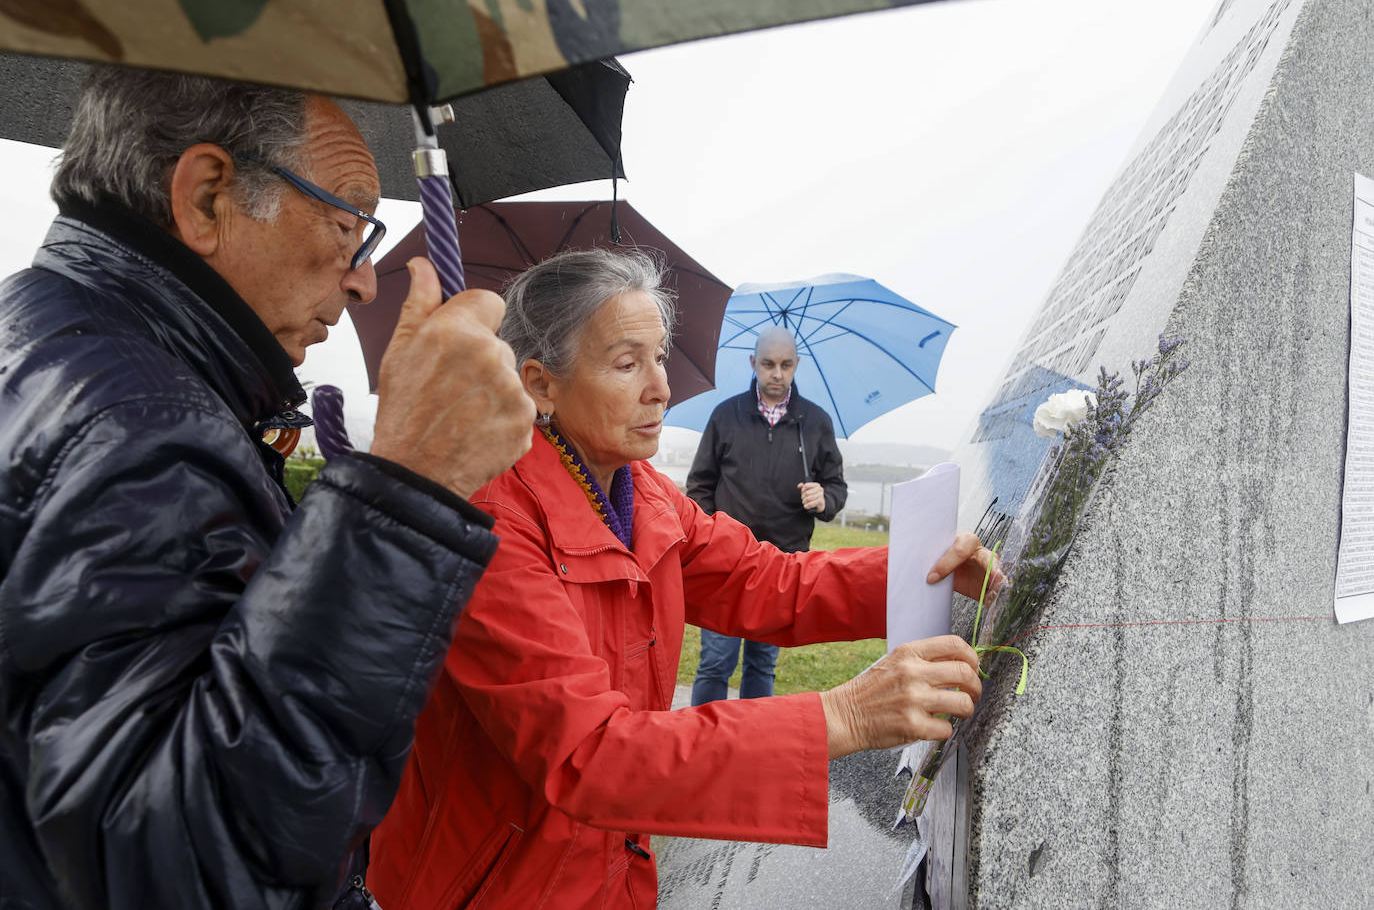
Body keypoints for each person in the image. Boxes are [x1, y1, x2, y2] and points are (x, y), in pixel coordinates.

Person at [0, 68, 534, 909]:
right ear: (208, 196)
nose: (362, 279)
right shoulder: (146, 426)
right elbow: (185, 870)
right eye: (349, 224)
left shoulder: (42, 335)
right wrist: (408, 484)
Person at [366, 249, 1001, 909]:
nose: (660, 388)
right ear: (540, 385)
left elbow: (770, 584)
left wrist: (921, 571)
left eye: (661, 357)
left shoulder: (642, 494)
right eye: (625, 363)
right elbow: (594, 755)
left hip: (608, 873)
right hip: (495, 886)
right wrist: (841, 715)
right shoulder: (491, 518)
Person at [686, 325, 846, 704]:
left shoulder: (816, 421)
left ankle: (752, 750)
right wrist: (711, 539)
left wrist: (824, 499)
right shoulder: (726, 415)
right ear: (753, 363)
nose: (777, 374)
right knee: (715, 662)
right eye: (769, 364)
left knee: (762, 664)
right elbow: (699, 486)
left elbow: (836, 487)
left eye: (786, 365)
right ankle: (701, 753)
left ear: (797, 364)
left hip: (782, 565)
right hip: (726, 565)